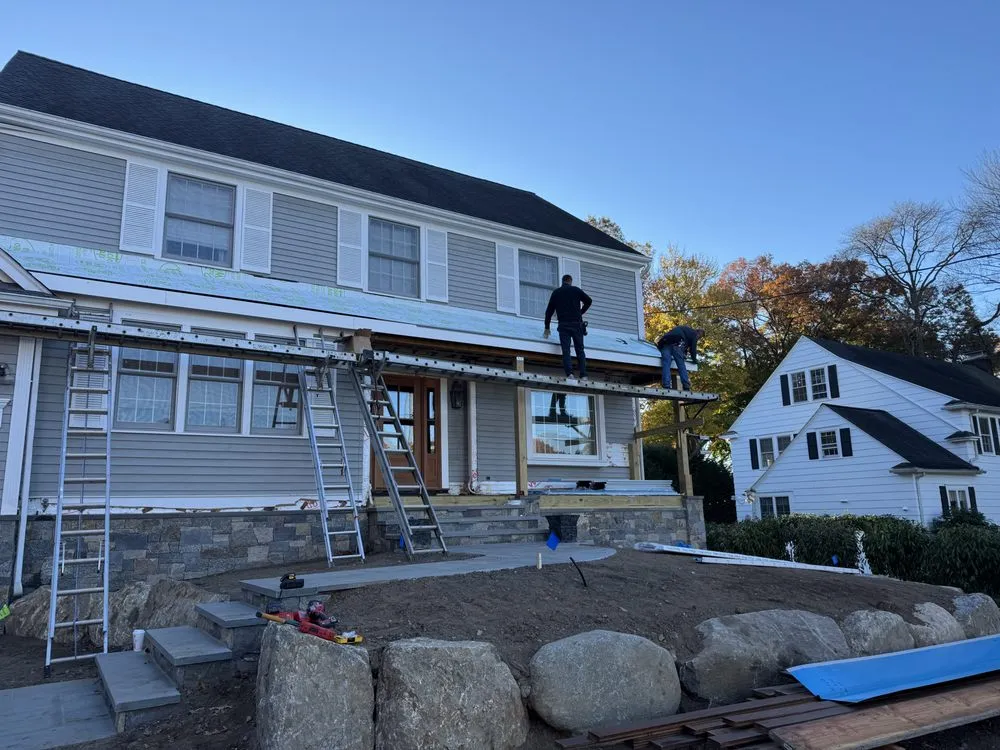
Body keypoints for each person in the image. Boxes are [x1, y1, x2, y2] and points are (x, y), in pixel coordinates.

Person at [543, 274, 592, 382]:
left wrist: (547, 327)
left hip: (563, 325)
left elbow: (549, 311)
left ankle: (569, 374)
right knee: (580, 350)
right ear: (570, 281)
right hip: (576, 324)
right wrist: (580, 312)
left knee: (566, 350)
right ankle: (583, 375)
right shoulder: (576, 290)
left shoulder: (556, 293)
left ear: (562, 281)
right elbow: (589, 301)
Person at [656, 325, 704, 390]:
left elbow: (686, 348)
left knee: (666, 363)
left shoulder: (684, 330)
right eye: (700, 337)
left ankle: (666, 385)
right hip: (677, 343)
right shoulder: (694, 334)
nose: (698, 338)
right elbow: (693, 349)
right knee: (681, 364)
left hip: (664, 343)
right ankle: (686, 385)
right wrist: (694, 360)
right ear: (699, 333)